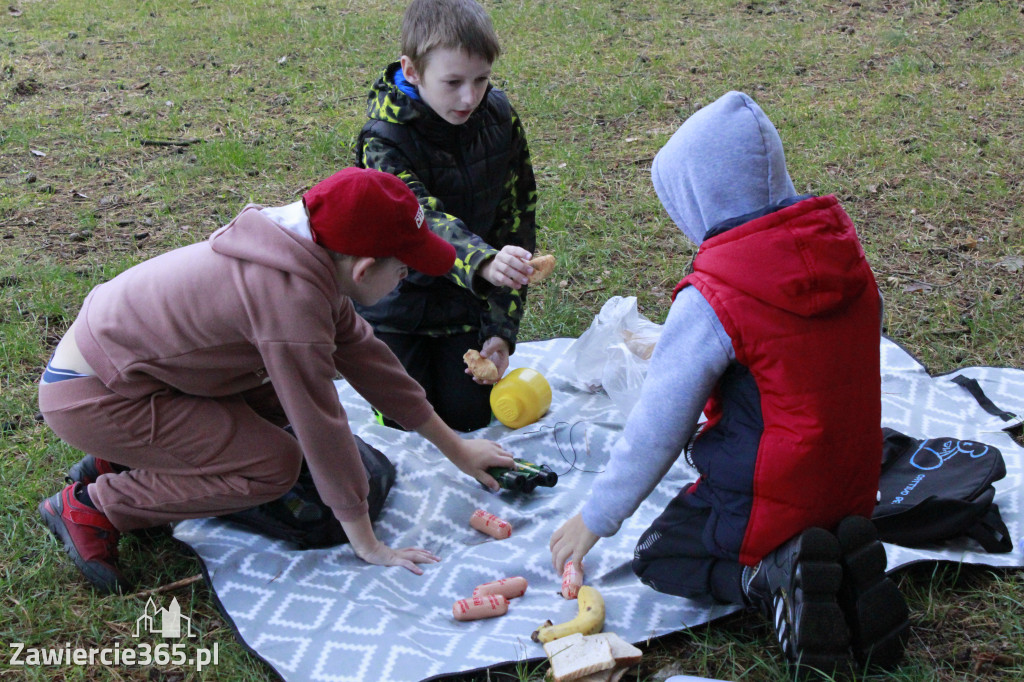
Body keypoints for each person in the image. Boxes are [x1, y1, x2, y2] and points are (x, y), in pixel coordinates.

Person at [549, 92, 909, 675]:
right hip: (854, 488)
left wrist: (596, 517)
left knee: (662, 553)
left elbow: (658, 428)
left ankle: (768, 578)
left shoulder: (715, 294)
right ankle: (840, 559)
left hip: (769, 499)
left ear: (698, 198)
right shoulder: (846, 256)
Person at [37, 167, 515, 595]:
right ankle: (96, 504)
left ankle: (126, 455)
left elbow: (373, 363)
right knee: (273, 464)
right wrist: (367, 541)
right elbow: (320, 422)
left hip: (138, 376)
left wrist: (457, 449)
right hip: (97, 397)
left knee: (273, 407)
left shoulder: (305, 253)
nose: (406, 278)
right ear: (365, 268)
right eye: (404, 269)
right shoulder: (292, 304)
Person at [354, 0, 540, 431]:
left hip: (462, 305)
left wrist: (499, 329)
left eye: (481, 80)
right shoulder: (382, 139)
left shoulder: (500, 118)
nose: (469, 97)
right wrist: (484, 262)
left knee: (468, 415)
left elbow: (517, 222)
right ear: (412, 70)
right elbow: (419, 219)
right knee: (406, 422)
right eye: (453, 81)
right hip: (395, 308)